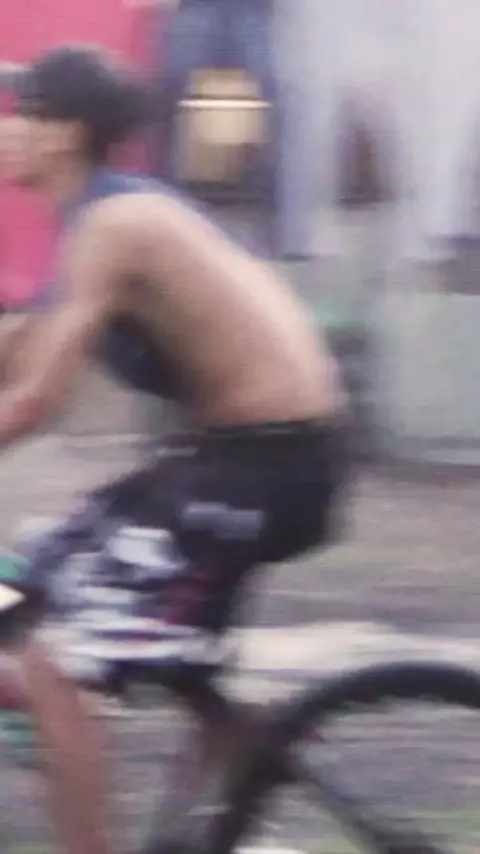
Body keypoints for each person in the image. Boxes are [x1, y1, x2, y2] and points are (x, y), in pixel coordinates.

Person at [0, 45, 349, 854]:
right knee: (27, 581)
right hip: (234, 464)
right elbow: (20, 344)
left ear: (65, 133)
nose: (4, 131)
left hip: (266, 470)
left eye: (21, 115)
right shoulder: (98, 218)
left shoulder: (114, 226)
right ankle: (250, 772)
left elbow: (37, 396)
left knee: (54, 661)